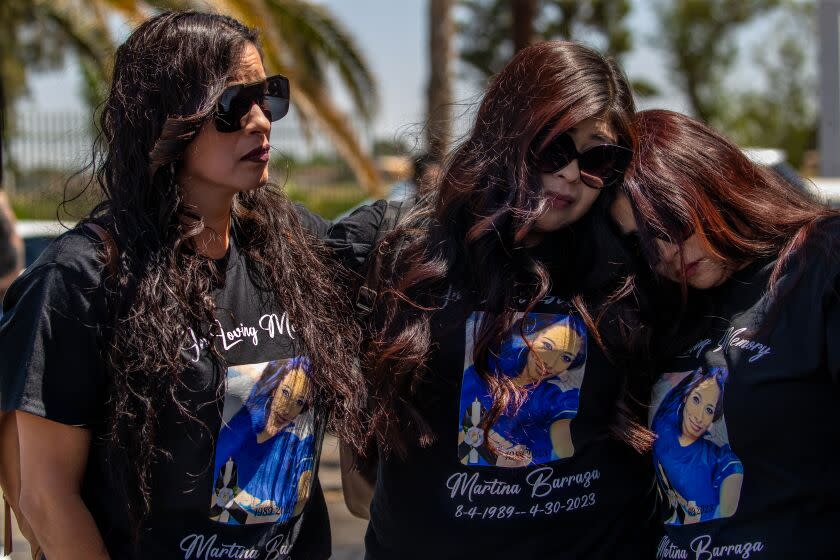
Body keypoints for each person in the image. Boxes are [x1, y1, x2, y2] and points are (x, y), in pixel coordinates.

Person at [0, 11, 364, 559]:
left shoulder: (294, 246)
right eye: (233, 104)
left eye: (268, 97)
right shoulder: (83, 279)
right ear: (164, 120)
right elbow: (45, 497)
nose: (261, 121)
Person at [329, 41, 656, 558]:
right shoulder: (395, 244)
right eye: (555, 147)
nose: (571, 173)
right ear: (509, 131)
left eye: (598, 158)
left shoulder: (634, 268)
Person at [612, 109, 840, 558]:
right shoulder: (667, 311)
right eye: (640, 242)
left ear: (709, 177)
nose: (664, 252)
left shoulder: (819, 263)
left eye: (669, 220)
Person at [650, 367, 743, 525]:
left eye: (708, 410)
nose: (699, 417)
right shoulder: (662, 429)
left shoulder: (723, 462)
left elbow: (727, 515)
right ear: (685, 397)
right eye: (696, 400)